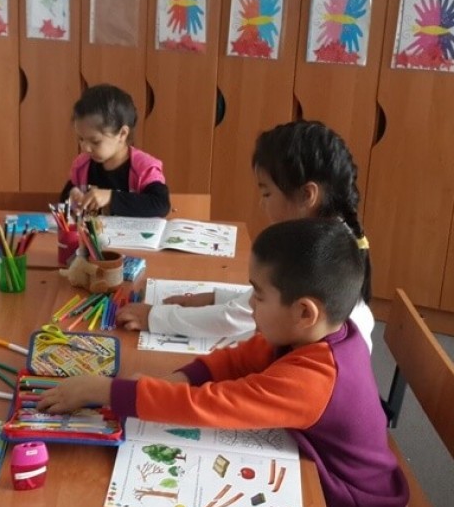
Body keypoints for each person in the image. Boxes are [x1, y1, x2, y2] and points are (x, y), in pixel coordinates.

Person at [39, 218, 409, 507]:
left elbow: (211, 405)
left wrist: (106, 391)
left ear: (304, 312)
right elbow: (238, 359)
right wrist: (180, 379)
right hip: (339, 498)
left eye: (258, 296)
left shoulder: (316, 378)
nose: (250, 305)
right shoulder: (313, 334)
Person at [116, 120, 375, 350]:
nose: (262, 204)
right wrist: (215, 296)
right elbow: (259, 300)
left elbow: (235, 318)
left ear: (307, 195)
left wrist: (153, 317)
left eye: (267, 193)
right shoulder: (325, 239)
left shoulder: (316, 257)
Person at [60, 84, 171, 217]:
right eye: (81, 139)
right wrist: (72, 196)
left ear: (122, 134)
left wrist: (111, 198)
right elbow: (64, 199)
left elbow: (161, 205)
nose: (85, 148)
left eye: (95, 141)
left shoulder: (143, 168)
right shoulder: (82, 166)